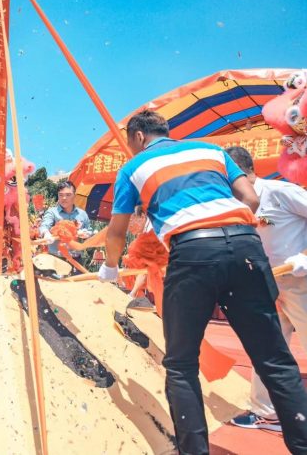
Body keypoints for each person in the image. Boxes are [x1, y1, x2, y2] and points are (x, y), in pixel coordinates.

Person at [98, 109, 307, 454]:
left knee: (181, 365)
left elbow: (116, 231)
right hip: (246, 249)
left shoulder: (133, 168)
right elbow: (252, 199)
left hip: (193, 253)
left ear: (137, 138)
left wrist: (109, 267)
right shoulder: (212, 151)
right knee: (274, 358)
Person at [226, 146, 307, 432]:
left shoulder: (280, 192)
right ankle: (267, 412)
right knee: (267, 347)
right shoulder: (234, 205)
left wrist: (305, 257)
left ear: (241, 172)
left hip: (301, 279)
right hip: (267, 285)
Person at [39, 181, 92, 270]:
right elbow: (44, 226)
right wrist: (46, 233)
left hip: (77, 260)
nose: (64, 198)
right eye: (61, 195)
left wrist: (87, 234)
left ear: (74, 195)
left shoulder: (82, 214)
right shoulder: (52, 212)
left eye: (68, 195)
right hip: (56, 259)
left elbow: (89, 231)